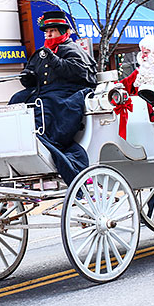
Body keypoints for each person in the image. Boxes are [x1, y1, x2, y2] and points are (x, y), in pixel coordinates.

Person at [10, 10, 98, 184]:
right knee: (17, 99)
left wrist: (54, 59)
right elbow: (34, 76)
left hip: (67, 92)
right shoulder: (43, 52)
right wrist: (27, 77)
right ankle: (16, 138)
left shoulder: (72, 49)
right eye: (46, 32)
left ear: (62, 32)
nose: (48, 35)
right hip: (44, 92)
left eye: (52, 31)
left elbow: (80, 73)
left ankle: (47, 141)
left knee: (45, 104)